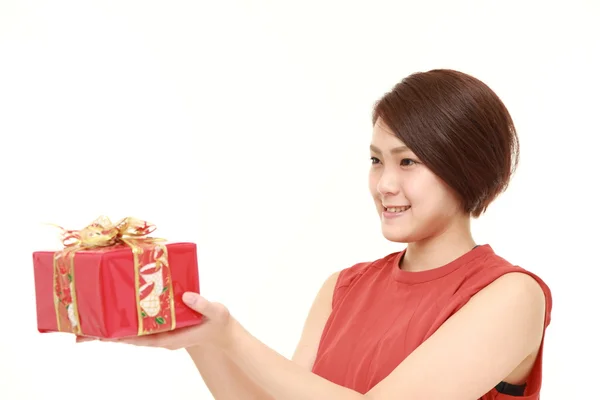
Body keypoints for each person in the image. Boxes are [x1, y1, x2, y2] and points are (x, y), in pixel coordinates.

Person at [98, 69, 552, 399]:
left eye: (407, 161)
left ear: (465, 168)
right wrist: (202, 339)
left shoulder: (511, 295)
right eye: (376, 160)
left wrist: (232, 336)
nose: (384, 184)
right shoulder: (342, 288)